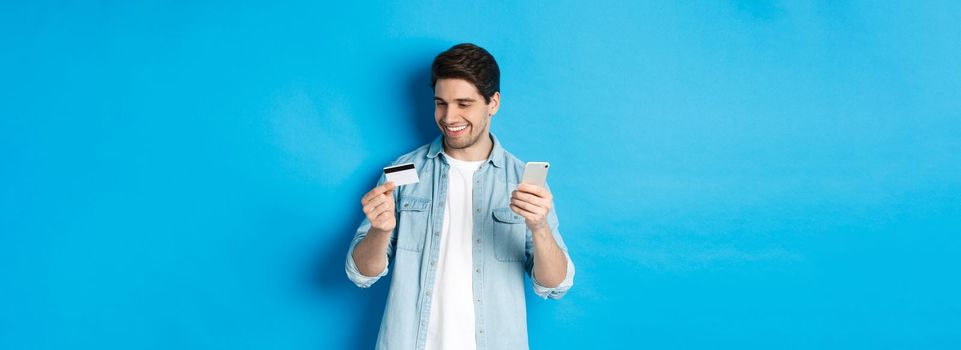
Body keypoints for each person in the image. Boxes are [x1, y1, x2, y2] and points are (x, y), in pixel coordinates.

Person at [345, 43, 575, 350]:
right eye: (441, 103)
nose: (449, 116)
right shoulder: (403, 170)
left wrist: (540, 227)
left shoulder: (522, 181)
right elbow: (361, 274)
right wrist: (380, 230)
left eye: (464, 104)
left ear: (493, 102)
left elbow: (555, 285)